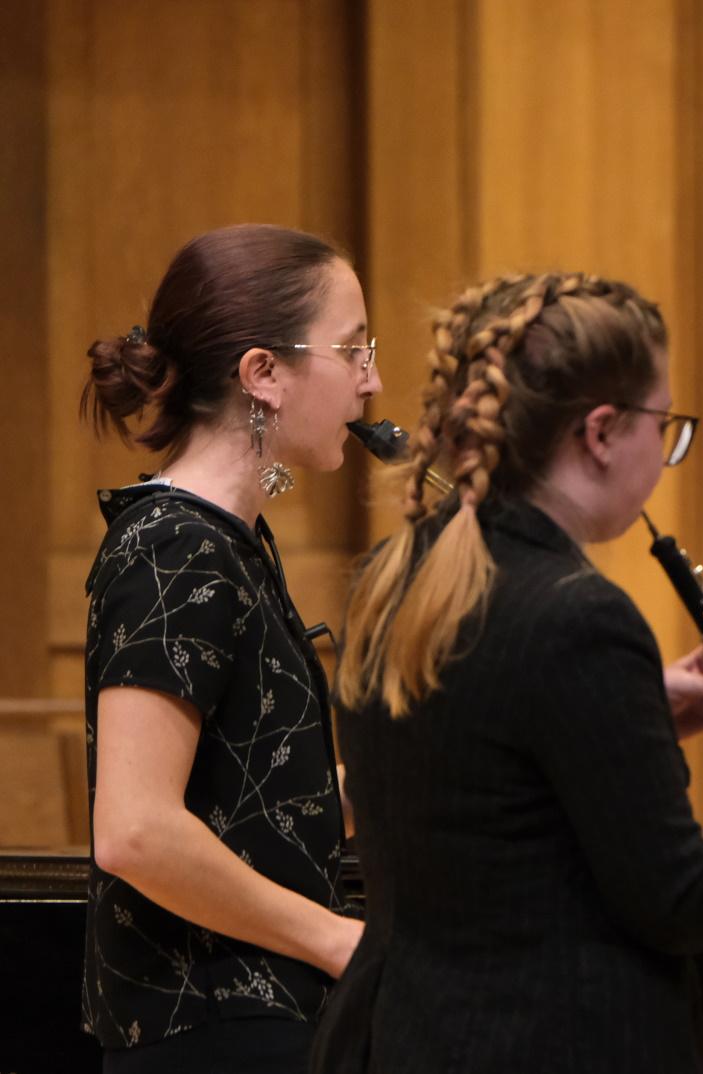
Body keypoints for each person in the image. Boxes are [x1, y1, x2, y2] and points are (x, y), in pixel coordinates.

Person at [311, 271, 703, 1073]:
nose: (667, 448)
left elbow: (483, 765)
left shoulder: (398, 576)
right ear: (604, 431)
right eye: (666, 424)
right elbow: (682, 900)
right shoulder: (579, 618)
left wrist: (640, 710)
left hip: (411, 1038)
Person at [80, 224, 378, 1071]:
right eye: (353, 350)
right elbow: (135, 831)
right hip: (213, 1031)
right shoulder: (176, 548)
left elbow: (259, 802)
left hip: (253, 1022)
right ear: (264, 374)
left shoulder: (228, 540)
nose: (372, 382)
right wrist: (332, 938)